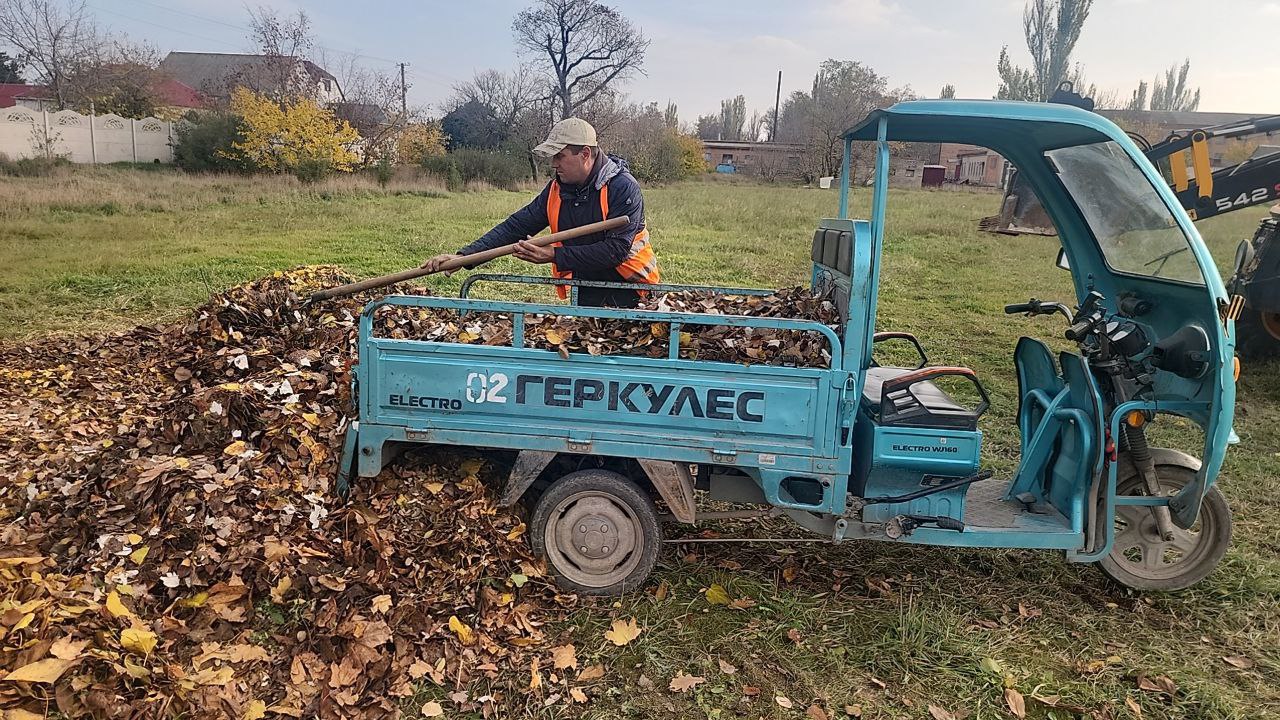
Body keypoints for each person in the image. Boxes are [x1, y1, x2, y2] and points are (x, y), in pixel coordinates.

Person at [421, 117, 659, 307]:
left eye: (560, 156)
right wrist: (464, 257)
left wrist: (554, 255)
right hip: (586, 289)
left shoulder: (622, 187)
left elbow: (614, 251)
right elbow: (517, 227)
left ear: (585, 154)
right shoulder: (558, 188)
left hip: (632, 291)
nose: (554, 163)